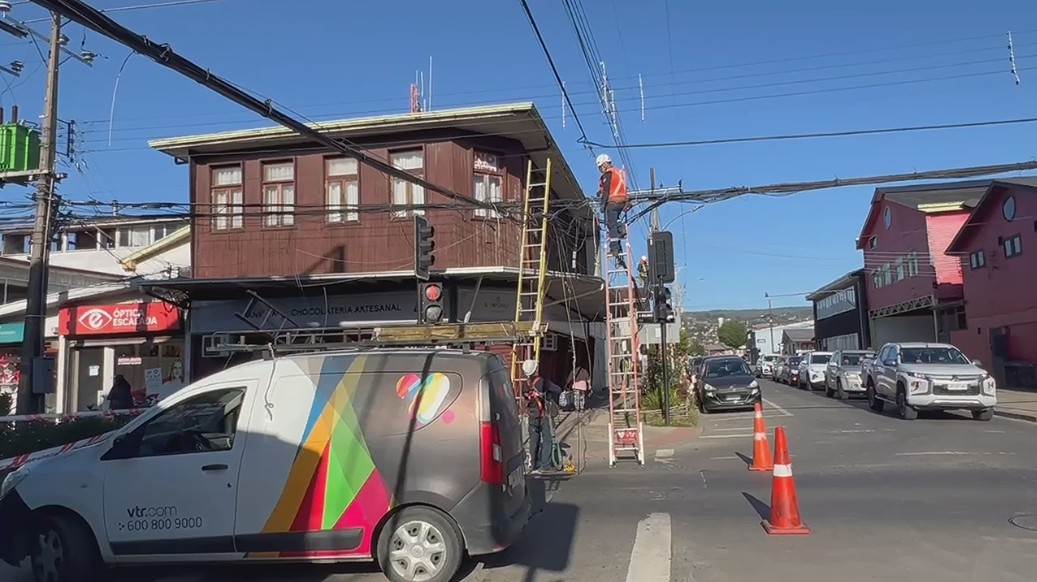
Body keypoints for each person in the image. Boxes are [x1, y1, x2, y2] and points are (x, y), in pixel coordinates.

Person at [522, 361, 561, 473]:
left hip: (532, 416)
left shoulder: (526, 384)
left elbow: (526, 398)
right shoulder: (543, 382)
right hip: (543, 415)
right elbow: (557, 389)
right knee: (547, 439)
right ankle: (545, 465)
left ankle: (533, 464)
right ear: (535, 369)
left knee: (534, 441)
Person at [596, 154, 629, 261]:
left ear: (605, 164)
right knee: (615, 219)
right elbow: (613, 186)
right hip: (622, 201)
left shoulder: (608, 174)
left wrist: (603, 203)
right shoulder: (617, 172)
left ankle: (614, 248)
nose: (600, 169)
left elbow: (606, 190)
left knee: (611, 224)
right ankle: (621, 228)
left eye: (600, 167)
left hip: (613, 201)